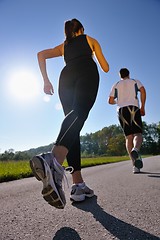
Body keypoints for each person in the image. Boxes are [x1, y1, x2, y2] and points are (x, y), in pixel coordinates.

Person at [30, 18, 109, 209]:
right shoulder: (90, 39)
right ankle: (54, 160)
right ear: (81, 29)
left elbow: (40, 54)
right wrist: (94, 53)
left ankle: (78, 185)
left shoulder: (63, 46)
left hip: (64, 78)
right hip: (86, 71)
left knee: (73, 127)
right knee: (80, 114)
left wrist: (46, 81)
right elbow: (105, 67)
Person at [108, 68, 146, 174]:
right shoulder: (135, 81)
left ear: (120, 75)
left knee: (128, 137)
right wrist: (143, 106)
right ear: (128, 74)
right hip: (133, 108)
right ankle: (136, 150)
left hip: (121, 110)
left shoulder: (116, 84)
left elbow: (110, 100)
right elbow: (143, 90)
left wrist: (118, 101)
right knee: (137, 133)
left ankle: (135, 166)